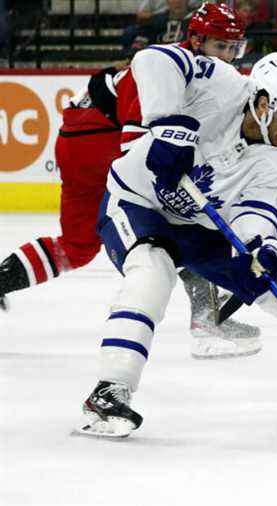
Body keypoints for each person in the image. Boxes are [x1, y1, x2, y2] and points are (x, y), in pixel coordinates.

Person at [75, 50, 277, 438]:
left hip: (200, 227)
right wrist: (167, 126)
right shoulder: (220, 84)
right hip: (137, 202)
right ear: (264, 103)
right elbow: (152, 59)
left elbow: (255, 212)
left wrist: (263, 244)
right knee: (153, 268)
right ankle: (110, 388)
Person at [0, 2, 259, 360]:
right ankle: (207, 320)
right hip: (98, 141)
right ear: (196, 41)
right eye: (221, 46)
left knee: (77, 247)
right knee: (184, 219)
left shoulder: (189, 66)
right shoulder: (168, 67)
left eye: (233, 48)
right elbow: (136, 142)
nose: (228, 56)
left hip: (77, 140)